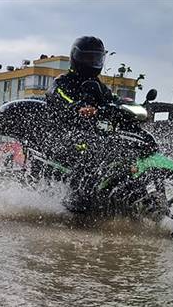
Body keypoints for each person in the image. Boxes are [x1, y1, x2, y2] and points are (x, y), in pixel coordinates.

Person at [46, 36, 121, 210]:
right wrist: (78, 108)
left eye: (96, 58)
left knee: (115, 146)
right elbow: (60, 97)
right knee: (90, 147)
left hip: (93, 133)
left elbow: (113, 101)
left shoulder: (99, 86)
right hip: (62, 134)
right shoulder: (63, 81)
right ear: (76, 57)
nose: (92, 62)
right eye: (88, 58)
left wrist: (127, 107)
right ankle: (77, 197)